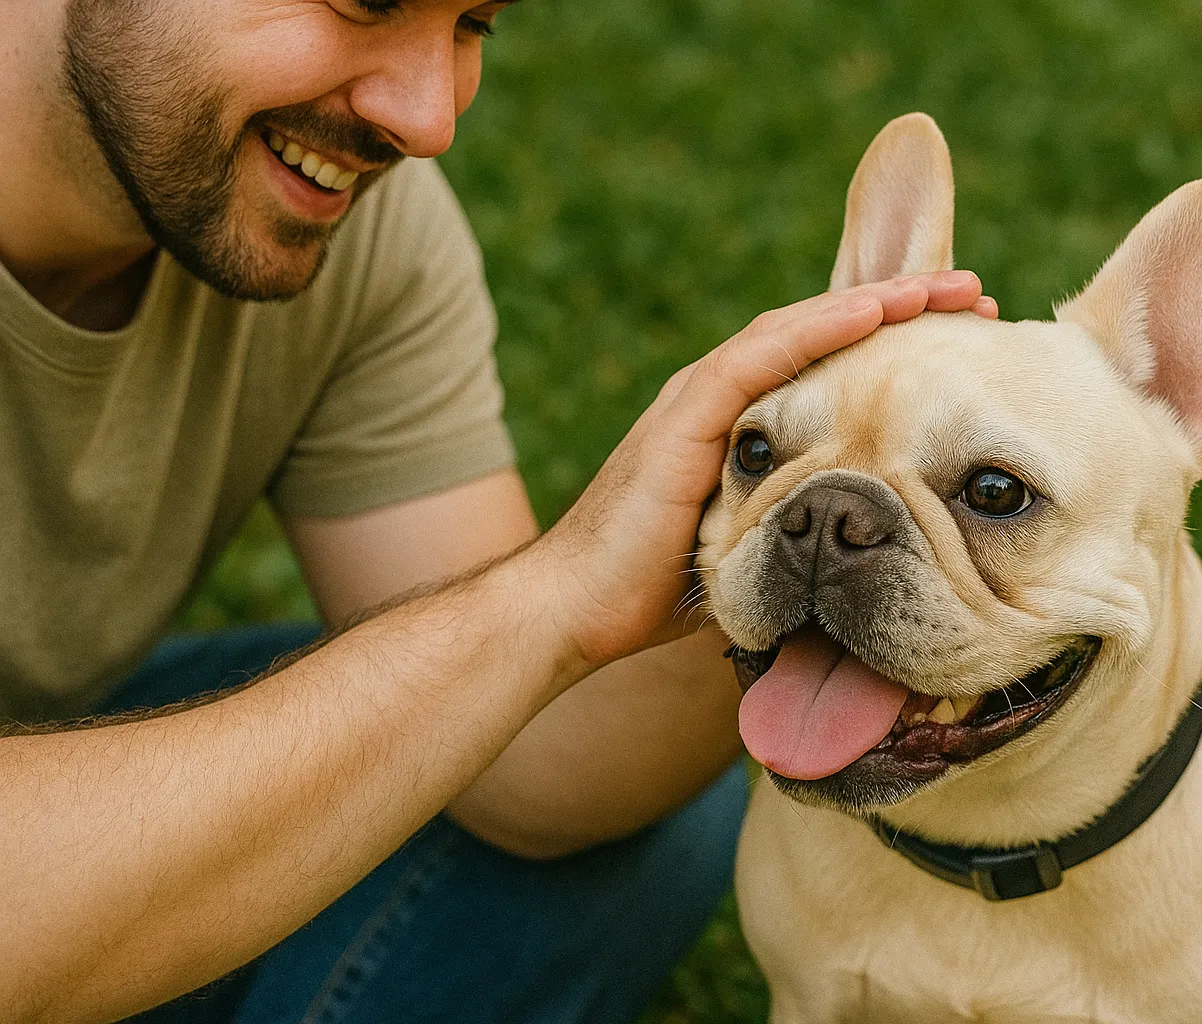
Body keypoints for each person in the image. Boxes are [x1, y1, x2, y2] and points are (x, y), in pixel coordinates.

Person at [0, 0, 998, 1021]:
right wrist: (544, 600)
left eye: (473, 23)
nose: (429, 119)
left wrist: (770, 541)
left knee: (639, 825)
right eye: (367, 3)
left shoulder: (355, 223)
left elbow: (531, 770)